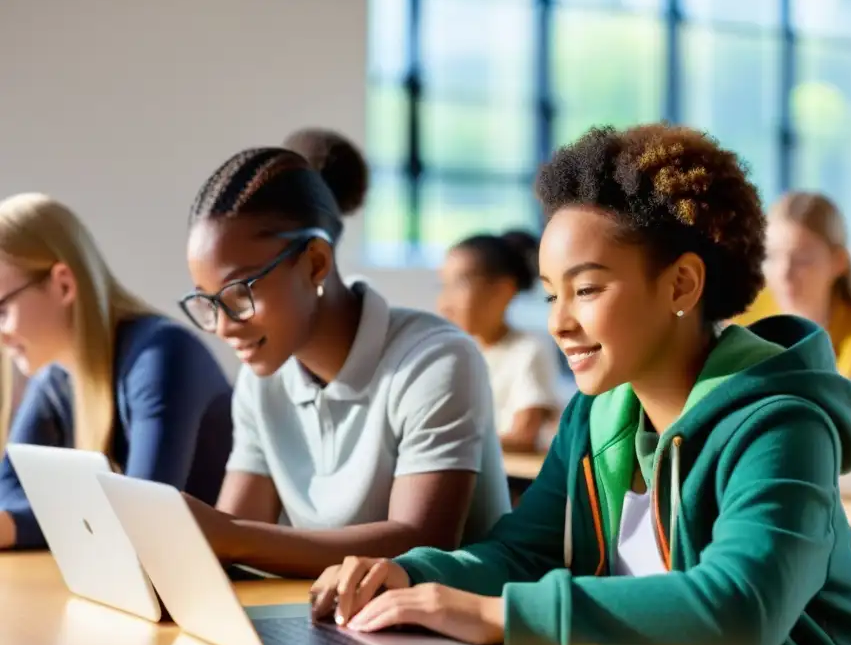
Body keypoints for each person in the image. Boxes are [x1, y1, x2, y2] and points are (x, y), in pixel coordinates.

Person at [308, 124, 851, 645]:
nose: (559, 322)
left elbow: (742, 610)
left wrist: (493, 616)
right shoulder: (599, 413)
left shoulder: (781, 423)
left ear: (682, 286)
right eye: (552, 294)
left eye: (586, 290)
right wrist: (408, 575)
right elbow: (526, 553)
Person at [177, 139, 510, 578]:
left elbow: (421, 542)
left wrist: (227, 535)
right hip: (332, 622)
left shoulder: (435, 360)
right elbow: (230, 542)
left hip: (453, 633)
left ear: (315, 263)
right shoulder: (261, 382)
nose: (223, 326)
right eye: (208, 303)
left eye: (239, 293)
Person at [0, 193, 233, 550]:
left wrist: (16, 526)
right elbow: (8, 490)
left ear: (63, 284)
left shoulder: (162, 356)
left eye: (2, 310)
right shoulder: (55, 379)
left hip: (238, 593)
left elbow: (142, 516)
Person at [732, 192, 851, 378]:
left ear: (839, 262)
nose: (783, 273)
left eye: (802, 260)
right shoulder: (741, 314)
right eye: (771, 256)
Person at [438, 229, 560, 452]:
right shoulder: (459, 353)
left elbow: (524, 435)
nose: (444, 303)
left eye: (459, 285)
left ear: (503, 292)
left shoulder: (528, 349)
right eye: (443, 286)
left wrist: (447, 442)